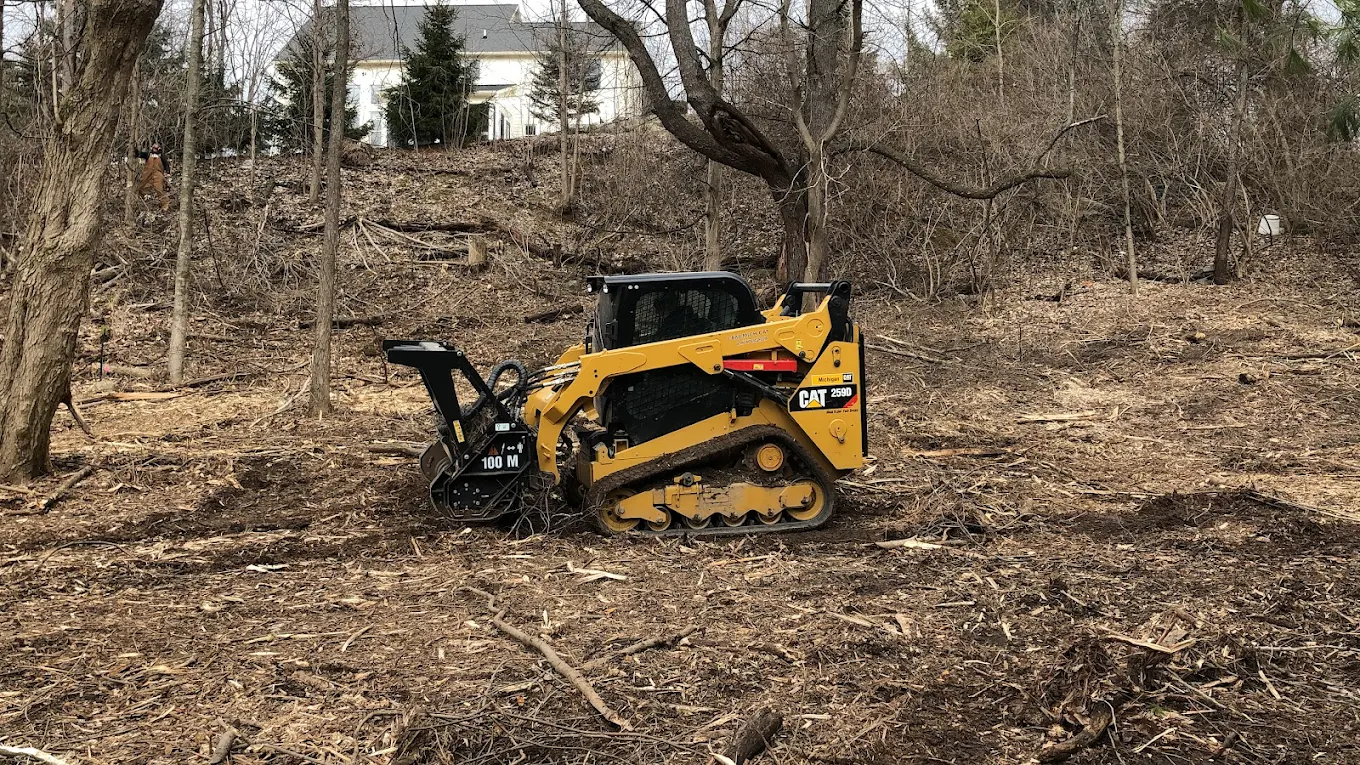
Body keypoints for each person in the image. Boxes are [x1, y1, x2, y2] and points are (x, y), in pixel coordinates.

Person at [135, 144, 171, 211]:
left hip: (158, 174)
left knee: (159, 189)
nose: (154, 150)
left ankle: (165, 204)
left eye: (156, 148)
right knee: (140, 186)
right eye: (154, 148)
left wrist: (168, 173)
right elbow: (140, 154)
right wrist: (135, 150)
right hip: (147, 174)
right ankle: (139, 200)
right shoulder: (148, 154)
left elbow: (166, 164)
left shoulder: (162, 156)